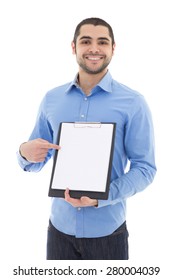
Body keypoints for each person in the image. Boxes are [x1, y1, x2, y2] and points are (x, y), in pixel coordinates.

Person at [17, 17, 156, 260]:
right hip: (58, 230)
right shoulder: (52, 99)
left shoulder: (133, 103)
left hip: (108, 234)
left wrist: (102, 197)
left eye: (102, 42)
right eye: (86, 41)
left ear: (113, 48)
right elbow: (37, 158)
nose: (94, 49)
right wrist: (23, 153)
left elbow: (145, 169)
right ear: (74, 47)